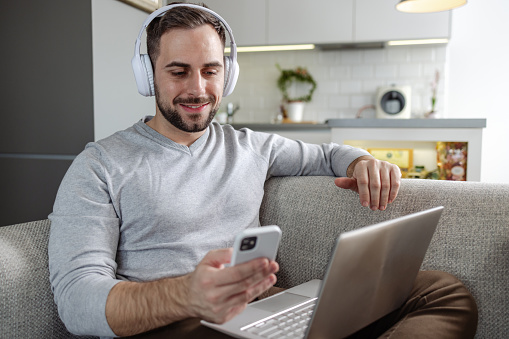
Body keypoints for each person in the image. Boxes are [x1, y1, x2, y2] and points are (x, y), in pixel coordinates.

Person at [48, 3, 477, 338]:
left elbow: (327, 155)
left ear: (227, 75)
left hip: (263, 311)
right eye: (178, 72)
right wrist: (186, 295)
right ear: (147, 76)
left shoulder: (251, 145)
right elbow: (76, 300)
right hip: (172, 326)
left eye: (210, 71)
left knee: (441, 291)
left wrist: (362, 161)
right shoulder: (100, 165)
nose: (197, 89)